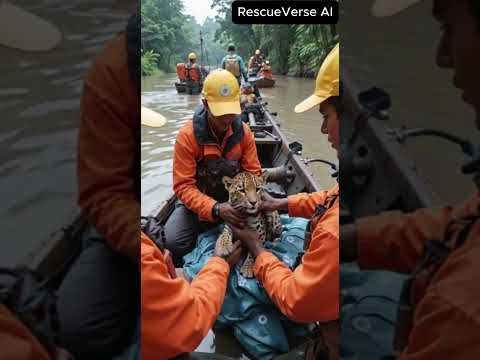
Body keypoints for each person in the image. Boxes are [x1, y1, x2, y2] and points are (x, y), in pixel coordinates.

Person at [341, 0, 480, 358]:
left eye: (448, 28)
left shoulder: (461, 314)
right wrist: (354, 239)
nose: (442, 57)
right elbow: (461, 222)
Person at [230, 43, 340, 359]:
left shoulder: (333, 234)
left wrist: (258, 249)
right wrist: (280, 204)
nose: (322, 129)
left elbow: (296, 301)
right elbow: (330, 197)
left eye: (326, 116)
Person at [56, 10, 140, 359]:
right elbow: (103, 191)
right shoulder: (109, 75)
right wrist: (144, 243)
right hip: (121, 225)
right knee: (78, 325)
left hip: (167, 210)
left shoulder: (232, 130)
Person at [164, 69, 262, 266]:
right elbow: (183, 187)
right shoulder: (187, 137)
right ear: (205, 104)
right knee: (174, 243)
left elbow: (253, 174)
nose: (227, 119)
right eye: (220, 114)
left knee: (254, 239)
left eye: (231, 112)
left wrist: (242, 205)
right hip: (196, 207)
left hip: (236, 204)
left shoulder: (244, 134)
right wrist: (215, 208)